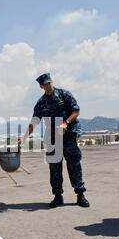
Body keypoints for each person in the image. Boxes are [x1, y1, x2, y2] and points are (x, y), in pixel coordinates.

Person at [19, 73, 89, 208]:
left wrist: (66, 122)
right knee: (54, 168)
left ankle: (80, 195)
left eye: (49, 83)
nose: (48, 86)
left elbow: (76, 111)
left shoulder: (64, 94)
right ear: (41, 86)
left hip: (68, 135)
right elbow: (35, 121)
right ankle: (58, 196)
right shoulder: (41, 102)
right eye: (45, 85)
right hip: (53, 138)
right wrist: (24, 138)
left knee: (74, 165)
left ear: (52, 82)